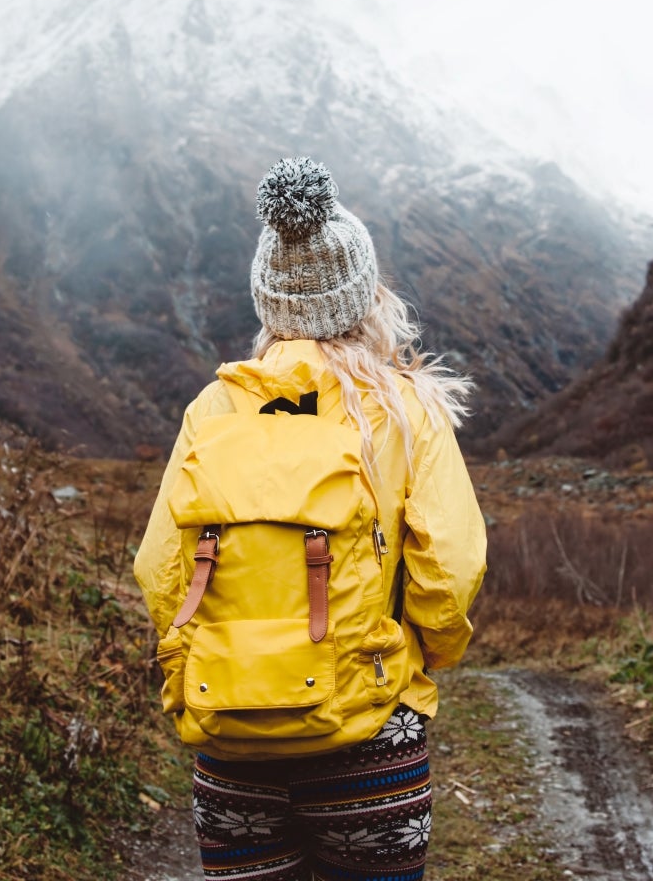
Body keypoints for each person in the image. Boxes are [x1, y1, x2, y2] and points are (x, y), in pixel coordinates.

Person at [133, 156, 487, 881]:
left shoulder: (213, 410)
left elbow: (159, 571)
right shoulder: (406, 410)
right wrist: (422, 657)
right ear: (364, 295)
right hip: (370, 745)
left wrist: (193, 674)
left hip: (231, 746)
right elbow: (449, 572)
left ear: (268, 301)